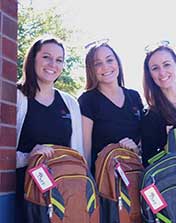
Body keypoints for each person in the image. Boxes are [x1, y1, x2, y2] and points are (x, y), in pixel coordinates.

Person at [16, 37, 83, 223]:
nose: (53, 64)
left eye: (59, 60)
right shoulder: (15, 97)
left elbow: (78, 154)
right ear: (33, 59)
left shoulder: (70, 103)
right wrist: (28, 156)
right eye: (46, 57)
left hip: (62, 196)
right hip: (24, 197)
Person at [78, 39, 143, 174]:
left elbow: (143, 142)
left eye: (109, 60)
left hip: (136, 176)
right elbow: (85, 151)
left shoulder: (134, 96)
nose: (105, 67)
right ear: (91, 69)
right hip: (105, 182)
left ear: (117, 62)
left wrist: (135, 149)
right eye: (98, 64)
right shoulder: (87, 100)